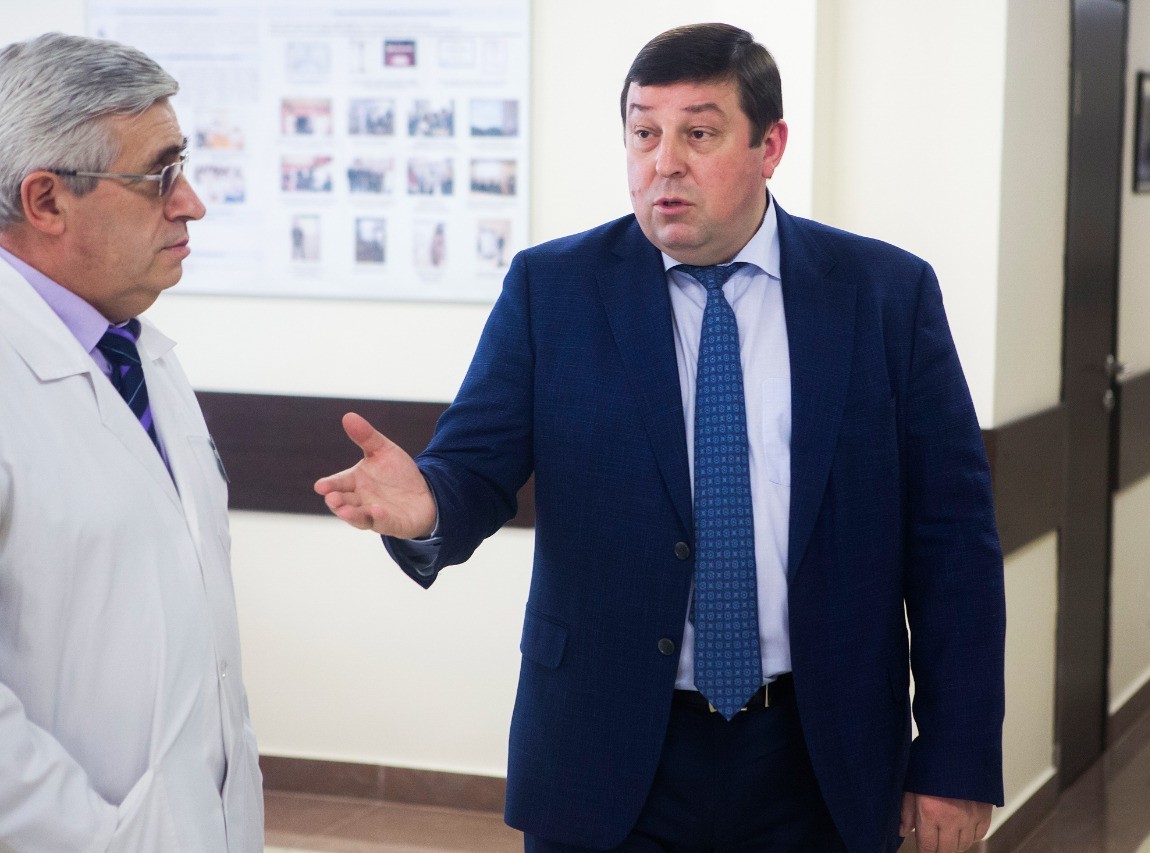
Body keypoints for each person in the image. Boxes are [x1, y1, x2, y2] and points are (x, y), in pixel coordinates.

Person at [317, 23, 1004, 853]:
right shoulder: (554, 290)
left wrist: (956, 758)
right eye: (644, 133)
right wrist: (428, 505)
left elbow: (952, 542)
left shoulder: (884, 294)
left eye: (699, 134)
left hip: (821, 754)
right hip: (607, 749)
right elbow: (474, 468)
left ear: (770, 146)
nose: (664, 163)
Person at [0, 33, 263, 851]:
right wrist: (103, 837)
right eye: (159, 176)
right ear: (47, 201)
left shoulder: (135, 354)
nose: (191, 204)